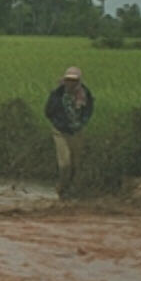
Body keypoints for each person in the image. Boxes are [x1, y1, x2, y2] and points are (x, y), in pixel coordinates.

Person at [45, 66, 95, 198]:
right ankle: (61, 188)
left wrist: (82, 123)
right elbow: (48, 112)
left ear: (79, 81)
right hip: (60, 132)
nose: (70, 83)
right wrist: (60, 123)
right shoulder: (57, 94)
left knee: (76, 164)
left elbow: (88, 111)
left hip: (77, 131)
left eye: (73, 80)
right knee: (65, 163)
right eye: (68, 79)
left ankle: (72, 189)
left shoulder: (85, 94)